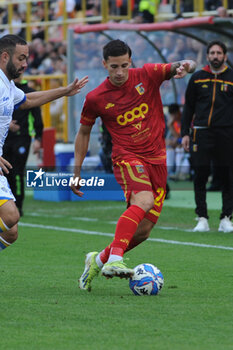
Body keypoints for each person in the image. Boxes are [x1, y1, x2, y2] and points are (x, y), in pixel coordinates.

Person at [71, 39, 196, 291]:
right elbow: (84, 133)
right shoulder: (95, 98)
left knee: (143, 231)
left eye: (124, 66)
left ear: (131, 62)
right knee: (144, 201)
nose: (119, 72)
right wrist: (76, 172)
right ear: (104, 64)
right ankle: (116, 259)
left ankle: (97, 260)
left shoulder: (148, 74)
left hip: (157, 160)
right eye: (114, 66)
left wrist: (186, 66)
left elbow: (182, 64)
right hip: (127, 157)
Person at [0, 34, 88, 253]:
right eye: (21, 58)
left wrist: (64, 91)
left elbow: (28, 100)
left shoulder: (8, 86)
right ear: (4, 57)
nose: (25, 64)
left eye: (26, 58)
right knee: (11, 215)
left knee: (11, 231)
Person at [181, 40, 233, 233]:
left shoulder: (231, 78)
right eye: (212, 53)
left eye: (219, 53)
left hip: (227, 133)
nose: (215, 56)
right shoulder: (197, 78)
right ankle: (202, 217)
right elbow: (188, 108)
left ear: (225, 56)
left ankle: (226, 218)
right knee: (200, 175)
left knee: (228, 176)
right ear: (208, 56)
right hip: (201, 132)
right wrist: (185, 133)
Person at [2, 74, 43, 217]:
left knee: (18, 173)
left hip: (22, 138)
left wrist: (38, 138)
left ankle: (18, 206)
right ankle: (7, 205)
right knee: (5, 174)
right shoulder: (5, 88)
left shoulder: (28, 92)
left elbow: (37, 117)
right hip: (5, 139)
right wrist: (8, 125)